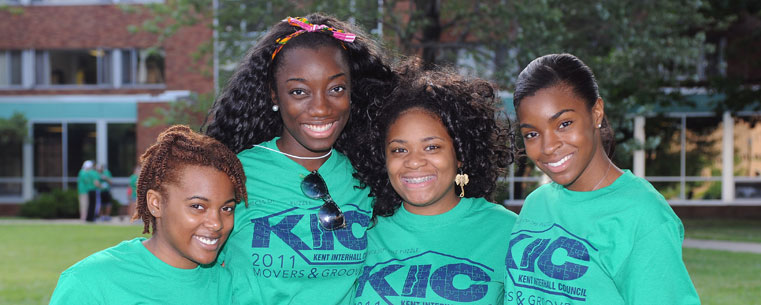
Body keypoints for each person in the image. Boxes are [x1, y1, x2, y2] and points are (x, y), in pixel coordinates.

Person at [203, 13, 395, 304]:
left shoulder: (371, 176)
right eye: (299, 91)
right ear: (275, 96)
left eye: (336, 89)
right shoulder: (231, 173)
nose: (320, 108)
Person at [504, 53, 700, 304]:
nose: (548, 146)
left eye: (564, 124)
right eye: (531, 134)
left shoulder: (643, 214)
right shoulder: (537, 203)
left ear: (596, 113)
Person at [349, 62, 518, 304]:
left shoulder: (507, 231)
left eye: (432, 147)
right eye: (399, 149)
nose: (414, 162)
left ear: (460, 154)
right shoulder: (363, 231)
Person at [49, 125, 247, 304]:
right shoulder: (90, 284)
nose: (216, 223)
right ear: (156, 204)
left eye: (226, 208)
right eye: (197, 206)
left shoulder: (232, 287)